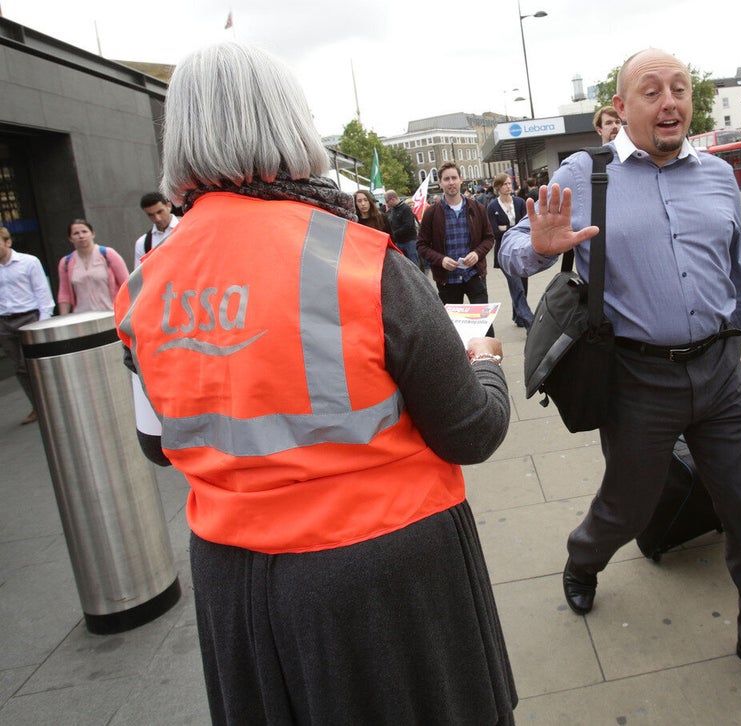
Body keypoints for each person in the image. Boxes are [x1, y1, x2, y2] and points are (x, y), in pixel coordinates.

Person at [113, 42, 516, 725]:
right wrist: (485, 365)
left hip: (235, 582)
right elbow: (471, 430)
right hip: (383, 579)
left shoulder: (146, 284)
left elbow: (157, 443)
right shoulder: (357, 261)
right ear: (291, 123)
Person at [501, 49, 741, 710]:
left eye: (680, 88)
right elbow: (512, 246)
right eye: (652, 90)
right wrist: (540, 247)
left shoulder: (718, 178)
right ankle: (584, 557)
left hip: (723, 371)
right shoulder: (586, 174)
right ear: (622, 109)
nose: (670, 100)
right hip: (639, 382)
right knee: (629, 505)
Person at [417, 162, 496, 335]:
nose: (451, 182)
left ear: (461, 180)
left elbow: (489, 238)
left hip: (474, 275)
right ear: (440, 183)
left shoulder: (477, 208)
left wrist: (477, 253)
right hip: (448, 280)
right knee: (453, 331)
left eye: (454, 178)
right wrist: (441, 260)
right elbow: (421, 245)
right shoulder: (431, 213)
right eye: (446, 179)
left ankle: (490, 361)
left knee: (485, 326)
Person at [0, 226, 55, 425]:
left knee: (35, 365)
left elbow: (43, 293)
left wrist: (42, 322)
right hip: (5, 322)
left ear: (7, 242)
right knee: (20, 368)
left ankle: (50, 403)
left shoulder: (28, 262)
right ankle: (37, 406)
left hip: (29, 318)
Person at [487, 173, 534, 329]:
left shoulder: (520, 203)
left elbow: (526, 226)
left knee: (523, 286)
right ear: (498, 187)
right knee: (517, 286)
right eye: (505, 184)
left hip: (521, 251)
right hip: (504, 253)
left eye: (509, 183)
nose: (508, 186)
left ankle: (518, 315)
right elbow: (495, 232)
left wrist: (506, 228)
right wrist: (514, 229)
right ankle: (530, 322)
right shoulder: (492, 206)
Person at [56, 219, 129, 314]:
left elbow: (127, 284)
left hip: (111, 313)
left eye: (84, 232)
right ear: (70, 238)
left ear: (93, 234)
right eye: (76, 233)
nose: (81, 236)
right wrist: (63, 320)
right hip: (82, 317)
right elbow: (64, 294)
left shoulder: (108, 254)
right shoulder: (66, 262)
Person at [133, 192, 179, 266]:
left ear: (169, 206)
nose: (157, 218)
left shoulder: (189, 225)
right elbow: (141, 275)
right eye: (151, 215)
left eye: (160, 212)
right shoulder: (143, 243)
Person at [384, 189, 420, 266]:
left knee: (414, 265)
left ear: (393, 199)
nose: (386, 204)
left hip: (409, 241)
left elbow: (408, 225)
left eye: (387, 201)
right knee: (403, 265)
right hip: (398, 242)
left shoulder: (406, 208)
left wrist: (394, 233)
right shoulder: (392, 209)